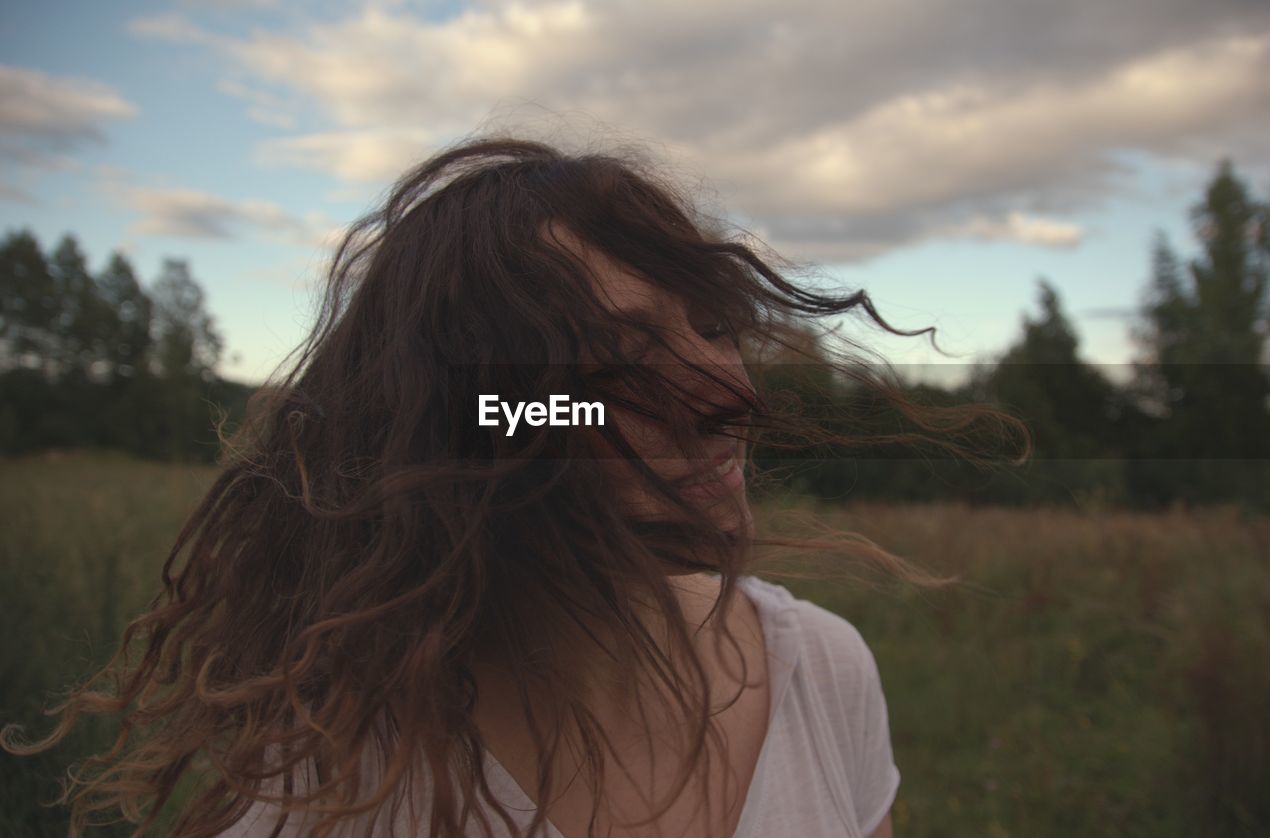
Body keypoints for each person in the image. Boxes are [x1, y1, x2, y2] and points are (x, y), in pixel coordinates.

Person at [2, 134, 1027, 837]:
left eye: (712, 327)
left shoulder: (823, 674)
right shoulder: (331, 791)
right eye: (621, 359)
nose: (730, 393)